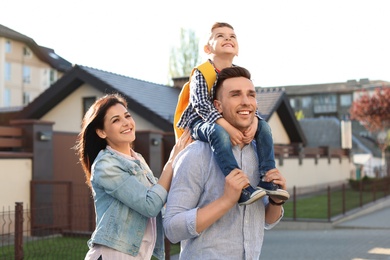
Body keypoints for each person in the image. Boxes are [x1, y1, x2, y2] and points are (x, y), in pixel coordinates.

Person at [164, 66, 286, 259]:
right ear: (217, 106)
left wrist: (275, 201)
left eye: (251, 95)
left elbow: (266, 220)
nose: (246, 102)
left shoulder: (259, 154)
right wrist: (226, 201)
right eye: (235, 95)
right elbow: (172, 229)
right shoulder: (196, 154)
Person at [175, 22, 289, 205]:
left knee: (265, 127)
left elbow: (249, 102)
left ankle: (267, 176)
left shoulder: (239, 76)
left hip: (222, 119)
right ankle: (241, 186)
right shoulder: (201, 72)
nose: (227, 38)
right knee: (217, 132)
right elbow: (201, 104)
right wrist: (227, 126)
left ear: (237, 50)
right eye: (220, 36)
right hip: (198, 120)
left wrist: (254, 123)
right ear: (207, 48)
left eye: (232, 36)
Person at [74, 93, 191, 260]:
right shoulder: (105, 166)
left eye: (127, 116)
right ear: (101, 132)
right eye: (116, 120)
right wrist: (172, 160)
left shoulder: (137, 159)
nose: (126, 123)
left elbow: (160, 198)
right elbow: (150, 205)